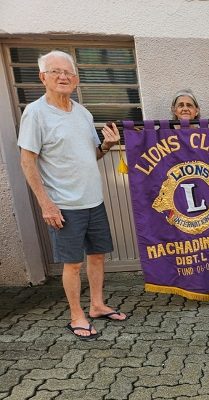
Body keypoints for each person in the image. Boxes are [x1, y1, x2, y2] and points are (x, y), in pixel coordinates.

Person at [18, 50, 127, 341]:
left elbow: (92, 154)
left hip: (94, 200)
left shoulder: (82, 113)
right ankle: (76, 315)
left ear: (76, 80)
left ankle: (97, 305)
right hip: (64, 205)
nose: (63, 77)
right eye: (56, 71)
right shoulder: (36, 113)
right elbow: (27, 161)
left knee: (97, 256)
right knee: (73, 263)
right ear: (43, 77)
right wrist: (46, 204)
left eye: (68, 72)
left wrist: (107, 146)